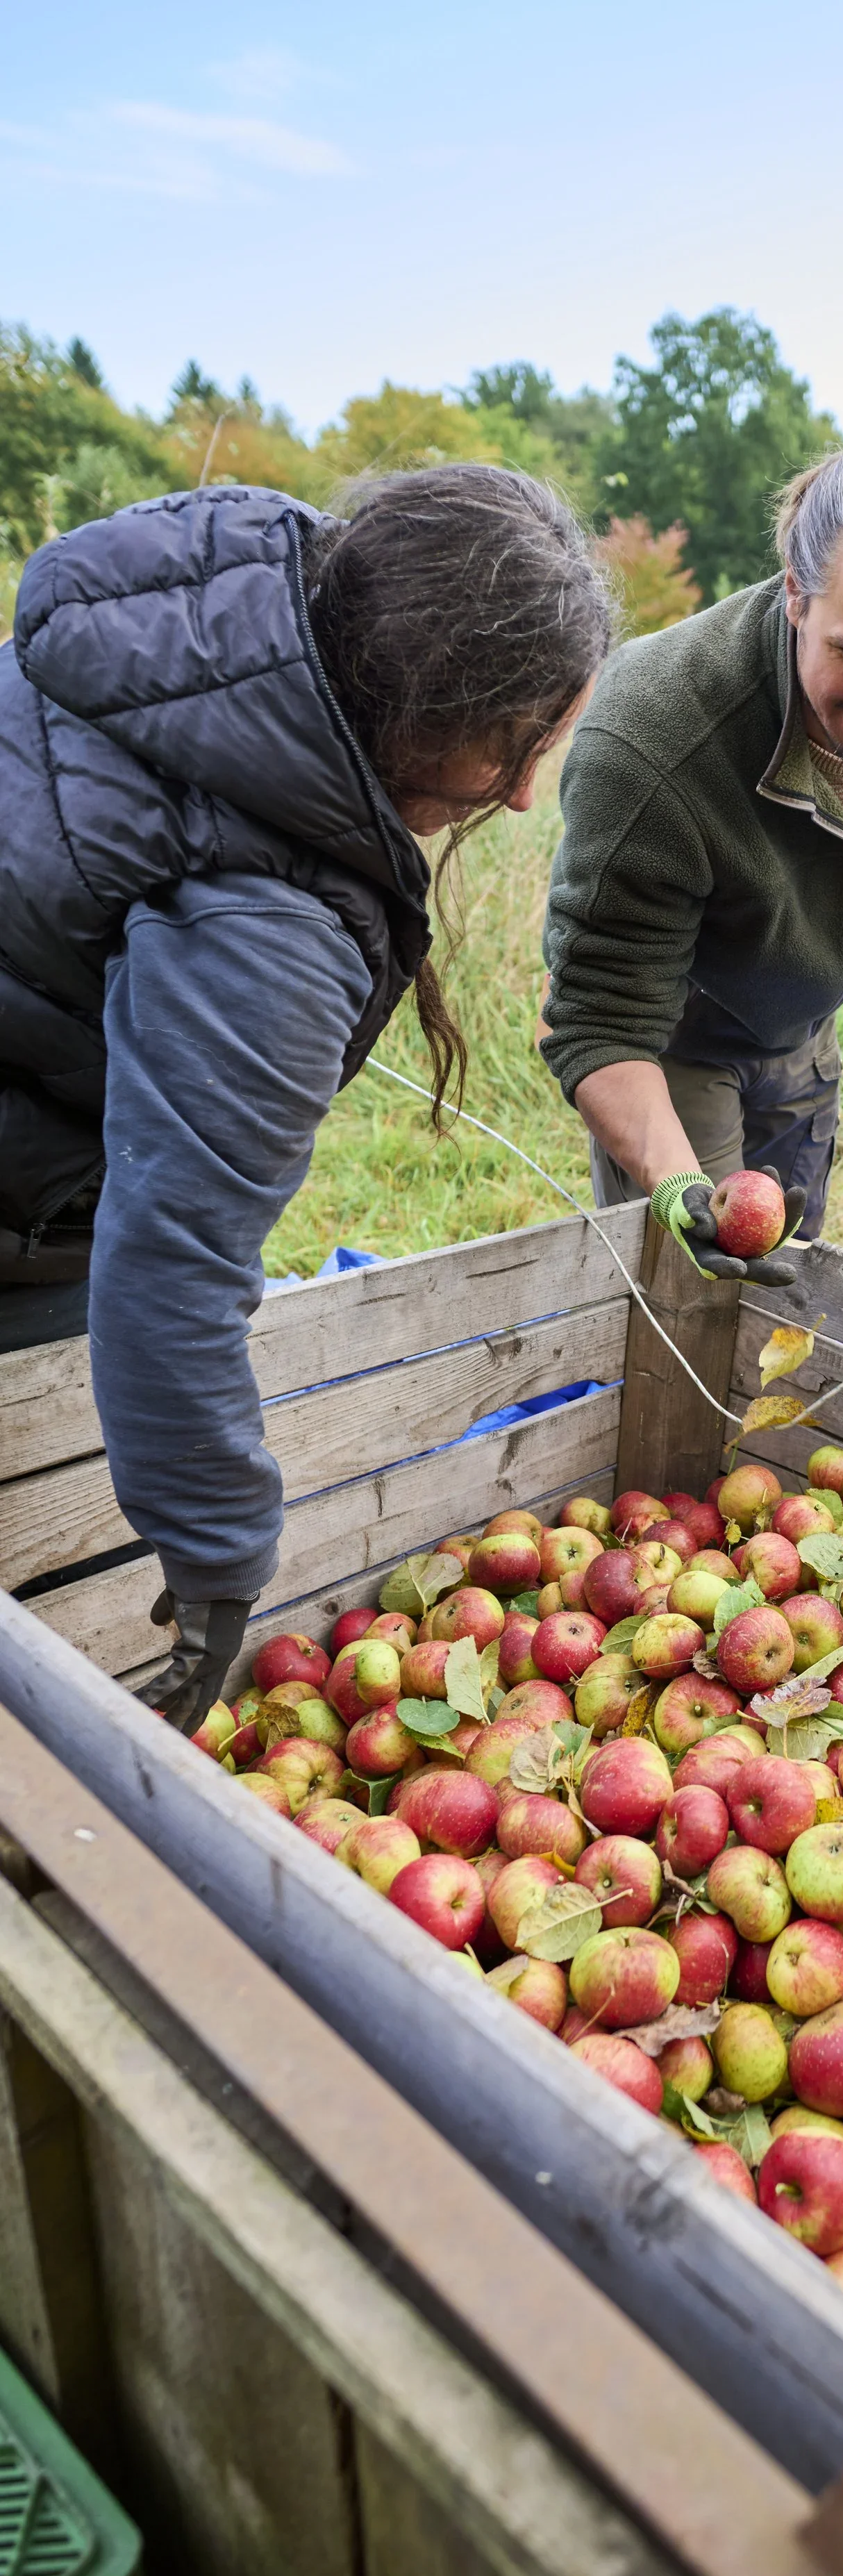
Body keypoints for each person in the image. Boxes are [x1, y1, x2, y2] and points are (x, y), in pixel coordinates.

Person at [1, 467, 611, 1725]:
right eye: (513, 744)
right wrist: (220, 1553)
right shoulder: (267, 927)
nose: (518, 794)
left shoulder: (227, 590)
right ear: (428, 710)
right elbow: (174, 1265)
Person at [537, 429, 843, 1283]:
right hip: (675, 1036)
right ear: (795, 593)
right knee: (690, 1295)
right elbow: (597, 1023)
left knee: (794, 1270)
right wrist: (677, 1185)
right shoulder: (651, 740)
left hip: (799, 1025)